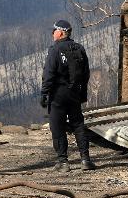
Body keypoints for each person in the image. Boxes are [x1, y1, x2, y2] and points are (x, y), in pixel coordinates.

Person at [40, 20, 95, 172]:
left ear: (61, 32)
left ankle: (63, 162)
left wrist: (44, 93)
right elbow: (86, 74)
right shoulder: (79, 48)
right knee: (78, 124)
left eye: (54, 30)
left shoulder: (55, 49)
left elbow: (49, 74)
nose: (52, 33)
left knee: (57, 126)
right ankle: (85, 159)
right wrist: (82, 94)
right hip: (75, 93)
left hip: (58, 94)